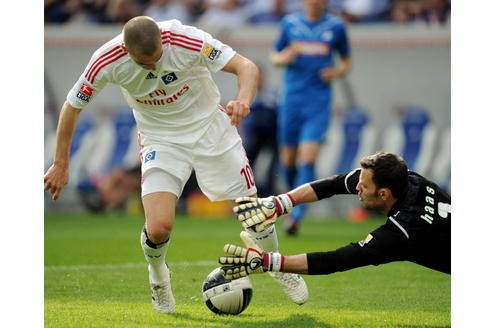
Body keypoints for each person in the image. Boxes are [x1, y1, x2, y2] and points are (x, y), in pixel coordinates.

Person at [44, 16, 308, 314]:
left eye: (158, 58)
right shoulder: (105, 60)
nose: (156, 67)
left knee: (252, 213)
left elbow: (246, 67)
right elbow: (72, 106)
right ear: (128, 52)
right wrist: (60, 163)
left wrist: (243, 100)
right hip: (161, 139)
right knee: (158, 227)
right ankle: (158, 279)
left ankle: (277, 264)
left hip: (210, 128)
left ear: (161, 38)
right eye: (146, 64)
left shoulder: (185, 38)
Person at [219, 152, 451, 280]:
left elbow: (337, 260)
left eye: (364, 186)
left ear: (383, 194)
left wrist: (269, 262)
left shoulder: (403, 231)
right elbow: (336, 183)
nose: (357, 188)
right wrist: (282, 203)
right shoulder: (408, 179)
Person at [270, 0, 352, 236]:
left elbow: (346, 61)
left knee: (308, 158)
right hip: (291, 101)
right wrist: (283, 58)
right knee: (287, 161)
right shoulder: (290, 24)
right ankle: (293, 198)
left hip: (318, 103)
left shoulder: (336, 26)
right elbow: (275, 56)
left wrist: (336, 72)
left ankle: (295, 215)